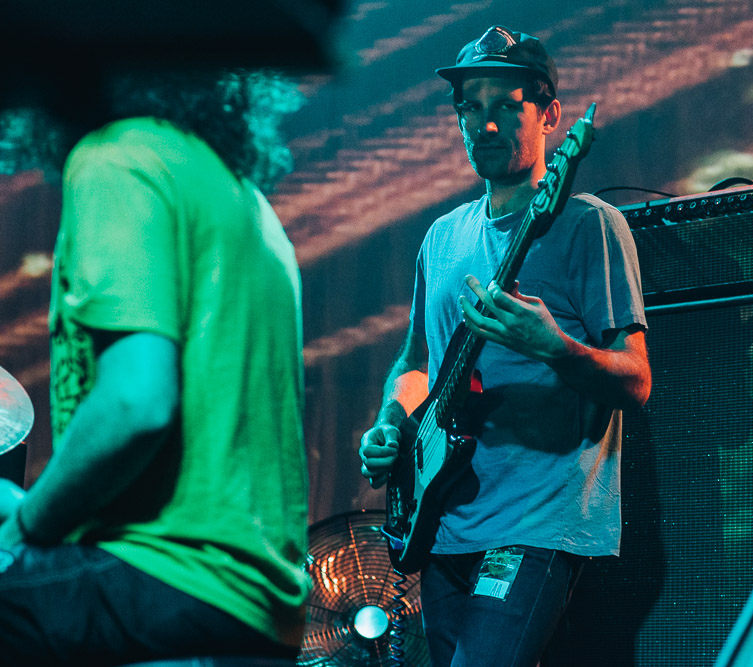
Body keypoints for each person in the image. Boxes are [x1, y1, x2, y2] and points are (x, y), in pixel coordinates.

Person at [358, 25, 652, 667]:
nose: (484, 125)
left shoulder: (589, 225)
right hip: (444, 521)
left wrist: (555, 349)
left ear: (549, 116)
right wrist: (388, 424)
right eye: (470, 107)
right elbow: (415, 365)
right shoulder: (441, 238)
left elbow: (636, 378)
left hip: (539, 523)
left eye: (504, 106)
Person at [0, 70, 310, 665]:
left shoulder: (116, 159)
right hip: (260, 612)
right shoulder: (236, 190)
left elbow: (134, 404)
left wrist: (26, 526)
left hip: (167, 580)